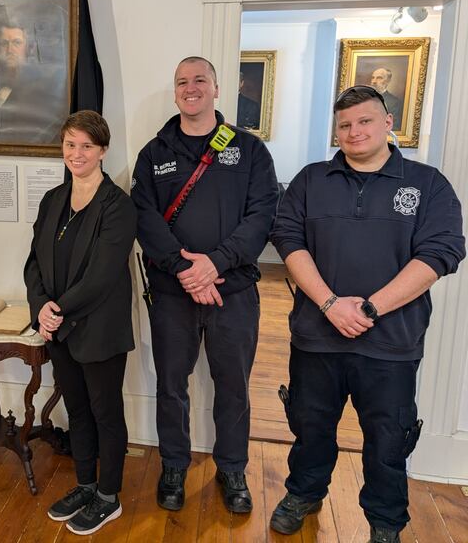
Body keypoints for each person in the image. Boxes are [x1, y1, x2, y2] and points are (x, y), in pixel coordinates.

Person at [269, 86, 464, 542]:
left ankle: (385, 522)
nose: (354, 132)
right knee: (310, 426)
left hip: (392, 342)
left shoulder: (427, 183)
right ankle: (303, 492)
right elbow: (288, 241)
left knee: (388, 441)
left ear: (388, 123)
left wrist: (371, 308)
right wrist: (331, 305)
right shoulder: (310, 180)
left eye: (364, 121)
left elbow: (441, 253)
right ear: (335, 132)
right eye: (344, 125)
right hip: (317, 336)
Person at [131, 56, 278, 513]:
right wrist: (184, 270)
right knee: (171, 384)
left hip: (232, 293)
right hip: (173, 293)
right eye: (182, 82)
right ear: (175, 93)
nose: (190, 88)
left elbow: (262, 217)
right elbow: (144, 217)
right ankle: (173, 464)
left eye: (200, 80)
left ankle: (232, 468)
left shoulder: (250, 151)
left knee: (233, 385)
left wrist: (214, 265)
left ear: (217, 89)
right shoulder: (154, 152)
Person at [24, 110, 136, 536]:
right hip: (58, 328)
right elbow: (34, 261)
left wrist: (56, 311)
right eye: (70, 144)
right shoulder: (53, 198)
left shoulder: (118, 205)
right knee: (77, 411)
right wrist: (40, 305)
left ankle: (108, 497)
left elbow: (102, 275)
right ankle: (85, 484)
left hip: (98, 328)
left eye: (86, 146)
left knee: (105, 413)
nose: (77, 153)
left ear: (102, 150)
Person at [0, 21, 67, 144]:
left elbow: (52, 130)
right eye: (4, 43)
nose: (10, 49)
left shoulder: (44, 85)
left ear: (29, 48)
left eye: (17, 43)